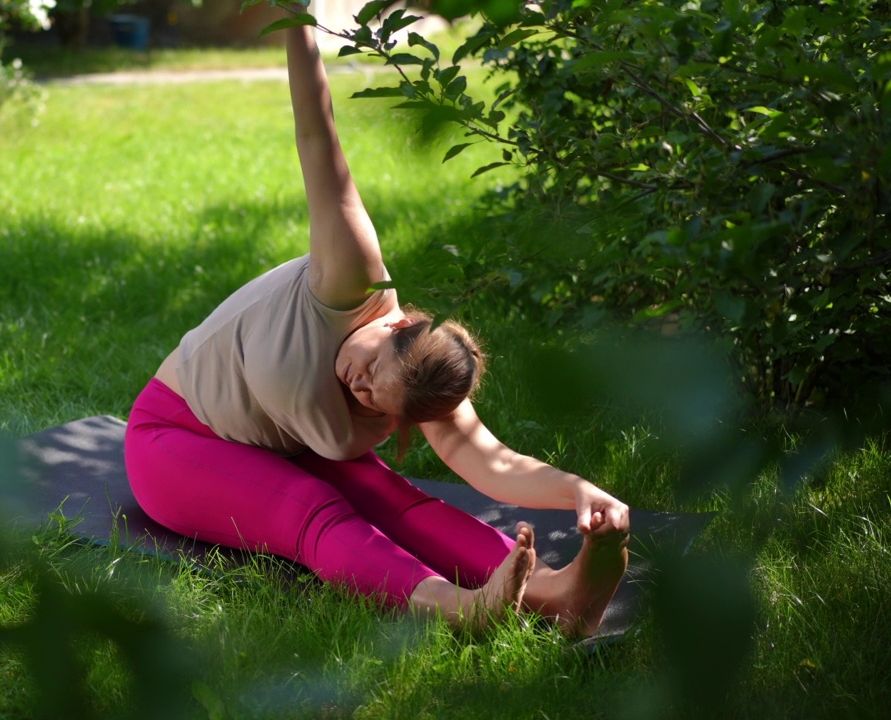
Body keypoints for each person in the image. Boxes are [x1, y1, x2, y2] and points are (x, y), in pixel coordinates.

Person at [123, 23, 629, 635]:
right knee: (315, 511)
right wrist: (297, 21)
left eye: (371, 397)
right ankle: (462, 610)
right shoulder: (350, 281)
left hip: (279, 448)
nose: (357, 388)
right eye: (369, 373)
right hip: (175, 439)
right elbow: (318, 141)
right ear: (399, 324)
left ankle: (557, 593)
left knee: (401, 502)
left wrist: (581, 493)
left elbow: (495, 465)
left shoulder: (423, 380)